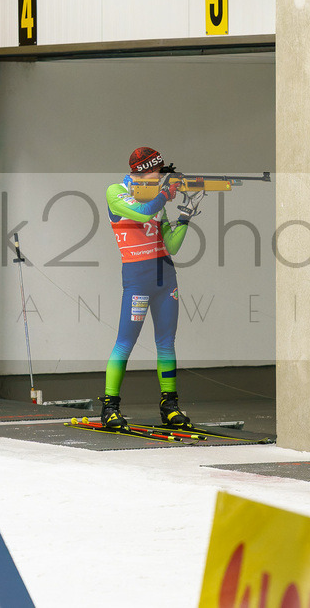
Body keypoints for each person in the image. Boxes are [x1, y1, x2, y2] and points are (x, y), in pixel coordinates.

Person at [100, 146, 201, 430]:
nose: (161, 178)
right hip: (137, 279)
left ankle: (169, 405)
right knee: (125, 342)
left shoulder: (158, 201)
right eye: (158, 173)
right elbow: (143, 213)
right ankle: (109, 407)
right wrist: (164, 194)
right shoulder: (115, 192)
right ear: (144, 172)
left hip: (165, 277)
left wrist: (185, 216)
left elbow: (171, 246)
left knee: (166, 343)